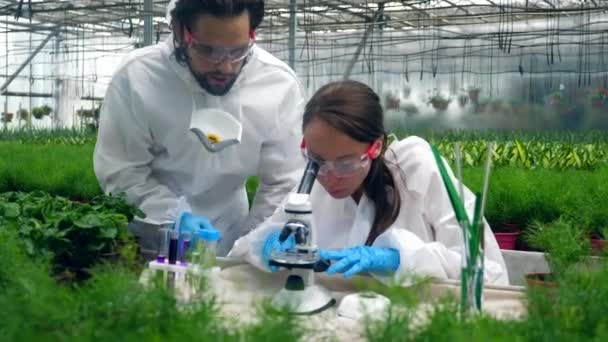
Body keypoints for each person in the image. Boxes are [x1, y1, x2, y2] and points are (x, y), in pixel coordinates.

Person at [228, 80, 509, 285]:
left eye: (346, 163)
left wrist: (402, 258)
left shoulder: (417, 167)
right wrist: (264, 245)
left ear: (375, 148)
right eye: (317, 159)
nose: (330, 176)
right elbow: (242, 248)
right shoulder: (312, 181)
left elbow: (489, 270)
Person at [93, 0, 306, 257]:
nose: (225, 66)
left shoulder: (277, 84)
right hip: (154, 231)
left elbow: (283, 180)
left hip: (233, 227)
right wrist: (173, 216)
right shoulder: (138, 77)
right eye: (208, 51)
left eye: (238, 51)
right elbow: (122, 170)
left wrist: (255, 239)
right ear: (181, 31)